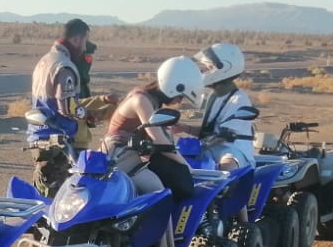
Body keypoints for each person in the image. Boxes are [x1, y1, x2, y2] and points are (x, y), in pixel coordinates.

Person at [103, 56, 204, 198]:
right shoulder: (141, 101)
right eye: (181, 96)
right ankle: (167, 221)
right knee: (158, 192)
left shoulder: (150, 101)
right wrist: (187, 168)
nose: (180, 101)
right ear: (174, 87)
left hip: (129, 155)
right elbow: (159, 140)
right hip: (118, 156)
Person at [27, 18, 106, 195]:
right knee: (58, 203)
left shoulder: (45, 61)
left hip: (40, 138)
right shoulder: (64, 66)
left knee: (42, 195)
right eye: (85, 41)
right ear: (77, 39)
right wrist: (88, 113)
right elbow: (68, 108)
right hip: (57, 143)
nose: (85, 48)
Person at [193, 42, 258, 170]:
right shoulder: (214, 96)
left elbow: (225, 135)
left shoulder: (239, 99)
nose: (205, 71)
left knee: (227, 167)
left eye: (209, 67)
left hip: (234, 150)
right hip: (211, 149)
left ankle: (226, 190)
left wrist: (203, 145)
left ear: (225, 68)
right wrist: (181, 128)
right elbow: (210, 132)